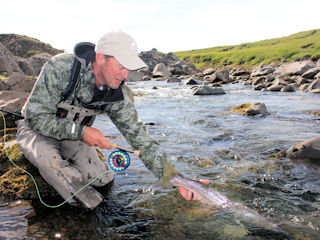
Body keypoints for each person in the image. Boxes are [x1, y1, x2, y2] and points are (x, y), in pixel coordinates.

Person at [16, 30, 202, 209]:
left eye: (128, 68)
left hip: (74, 138)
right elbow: (35, 118)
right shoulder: (61, 68)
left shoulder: (117, 92)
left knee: (102, 179)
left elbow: (141, 140)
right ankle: (89, 213)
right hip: (36, 131)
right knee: (53, 165)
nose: (125, 75)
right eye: (120, 66)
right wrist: (81, 131)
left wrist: (176, 179)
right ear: (100, 58)